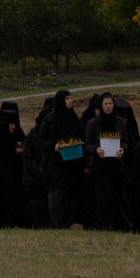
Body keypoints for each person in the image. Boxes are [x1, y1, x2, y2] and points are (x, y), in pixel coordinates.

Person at [83, 93, 131, 231]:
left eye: (110, 104)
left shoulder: (120, 122)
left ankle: (118, 225)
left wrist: (122, 150)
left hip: (116, 165)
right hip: (100, 165)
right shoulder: (93, 123)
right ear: (101, 106)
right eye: (106, 104)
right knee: (104, 196)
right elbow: (87, 145)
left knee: (117, 195)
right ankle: (101, 225)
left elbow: (126, 143)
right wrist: (96, 149)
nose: (108, 106)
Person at [43, 89, 86, 229]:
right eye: (67, 98)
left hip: (73, 163)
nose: (70, 101)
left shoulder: (74, 118)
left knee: (71, 194)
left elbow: (81, 136)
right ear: (61, 100)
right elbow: (41, 140)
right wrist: (54, 146)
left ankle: (68, 222)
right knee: (57, 195)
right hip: (56, 163)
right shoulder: (51, 119)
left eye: (71, 98)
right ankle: (56, 223)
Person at [21, 97, 53, 229]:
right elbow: (27, 157)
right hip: (34, 179)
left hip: (49, 177)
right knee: (38, 206)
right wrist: (39, 171)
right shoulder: (33, 134)